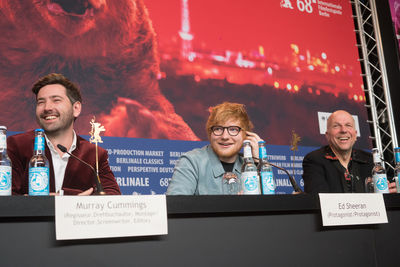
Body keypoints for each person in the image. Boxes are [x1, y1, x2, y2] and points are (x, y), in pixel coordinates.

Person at [8, 73, 121, 195]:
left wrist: (63, 198)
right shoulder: (16, 145)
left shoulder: (95, 154)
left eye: (56, 100)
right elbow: (6, 198)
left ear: (76, 108)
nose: (47, 107)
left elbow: (112, 196)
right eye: (41, 102)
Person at [166, 102, 263, 195]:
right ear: (210, 133)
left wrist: (258, 163)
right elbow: (176, 205)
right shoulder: (191, 162)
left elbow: (268, 205)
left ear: (246, 135)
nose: (225, 136)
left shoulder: (253, 165)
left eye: (233, 129)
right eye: (218, 129)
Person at [302, 110, 396, 194]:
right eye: (336, 126)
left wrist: (386, 192)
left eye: (348, 125)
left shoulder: (368, 160)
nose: (343, 130)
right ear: (327, 135)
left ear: (355, 135)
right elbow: (319, 199)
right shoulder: (315, 160)